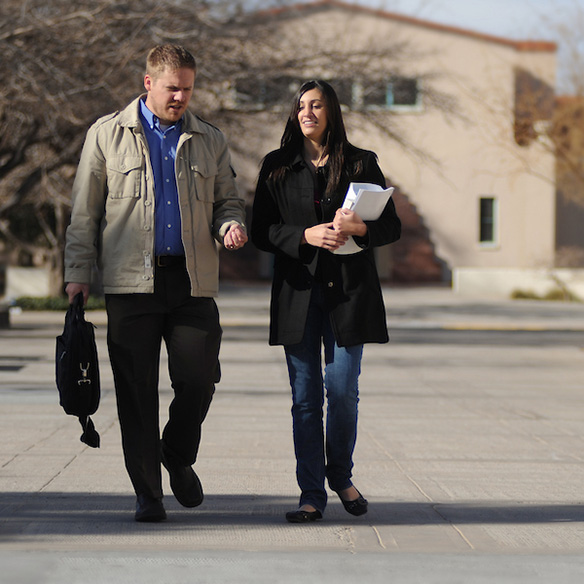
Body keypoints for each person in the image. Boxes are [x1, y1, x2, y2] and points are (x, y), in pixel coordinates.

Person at [64, 44, 247, 522]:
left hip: (191, 282)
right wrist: (77, 275)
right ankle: (148, 493)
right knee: (136, 390)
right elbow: (84, 213)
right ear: (149, 84)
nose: (181, 97)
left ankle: (178, 454)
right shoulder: (107, 135)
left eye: (187, 88)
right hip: (130, 284)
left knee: (200, 378)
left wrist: (229, 224)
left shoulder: (209, 138)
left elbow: (228, 199)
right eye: (172, 88)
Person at [251, 79, 401, 523]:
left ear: (332, 111)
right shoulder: (277, 166)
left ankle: (340, 475)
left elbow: (390, 226)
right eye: (300, 106)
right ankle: (312, 493)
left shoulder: (361, 162)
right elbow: (261, 230)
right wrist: (304, 235)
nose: (307, 112)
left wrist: (360, 229)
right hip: (298, 292)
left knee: (343, 391)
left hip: (348, 294)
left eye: (316, 105)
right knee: (304, 399)